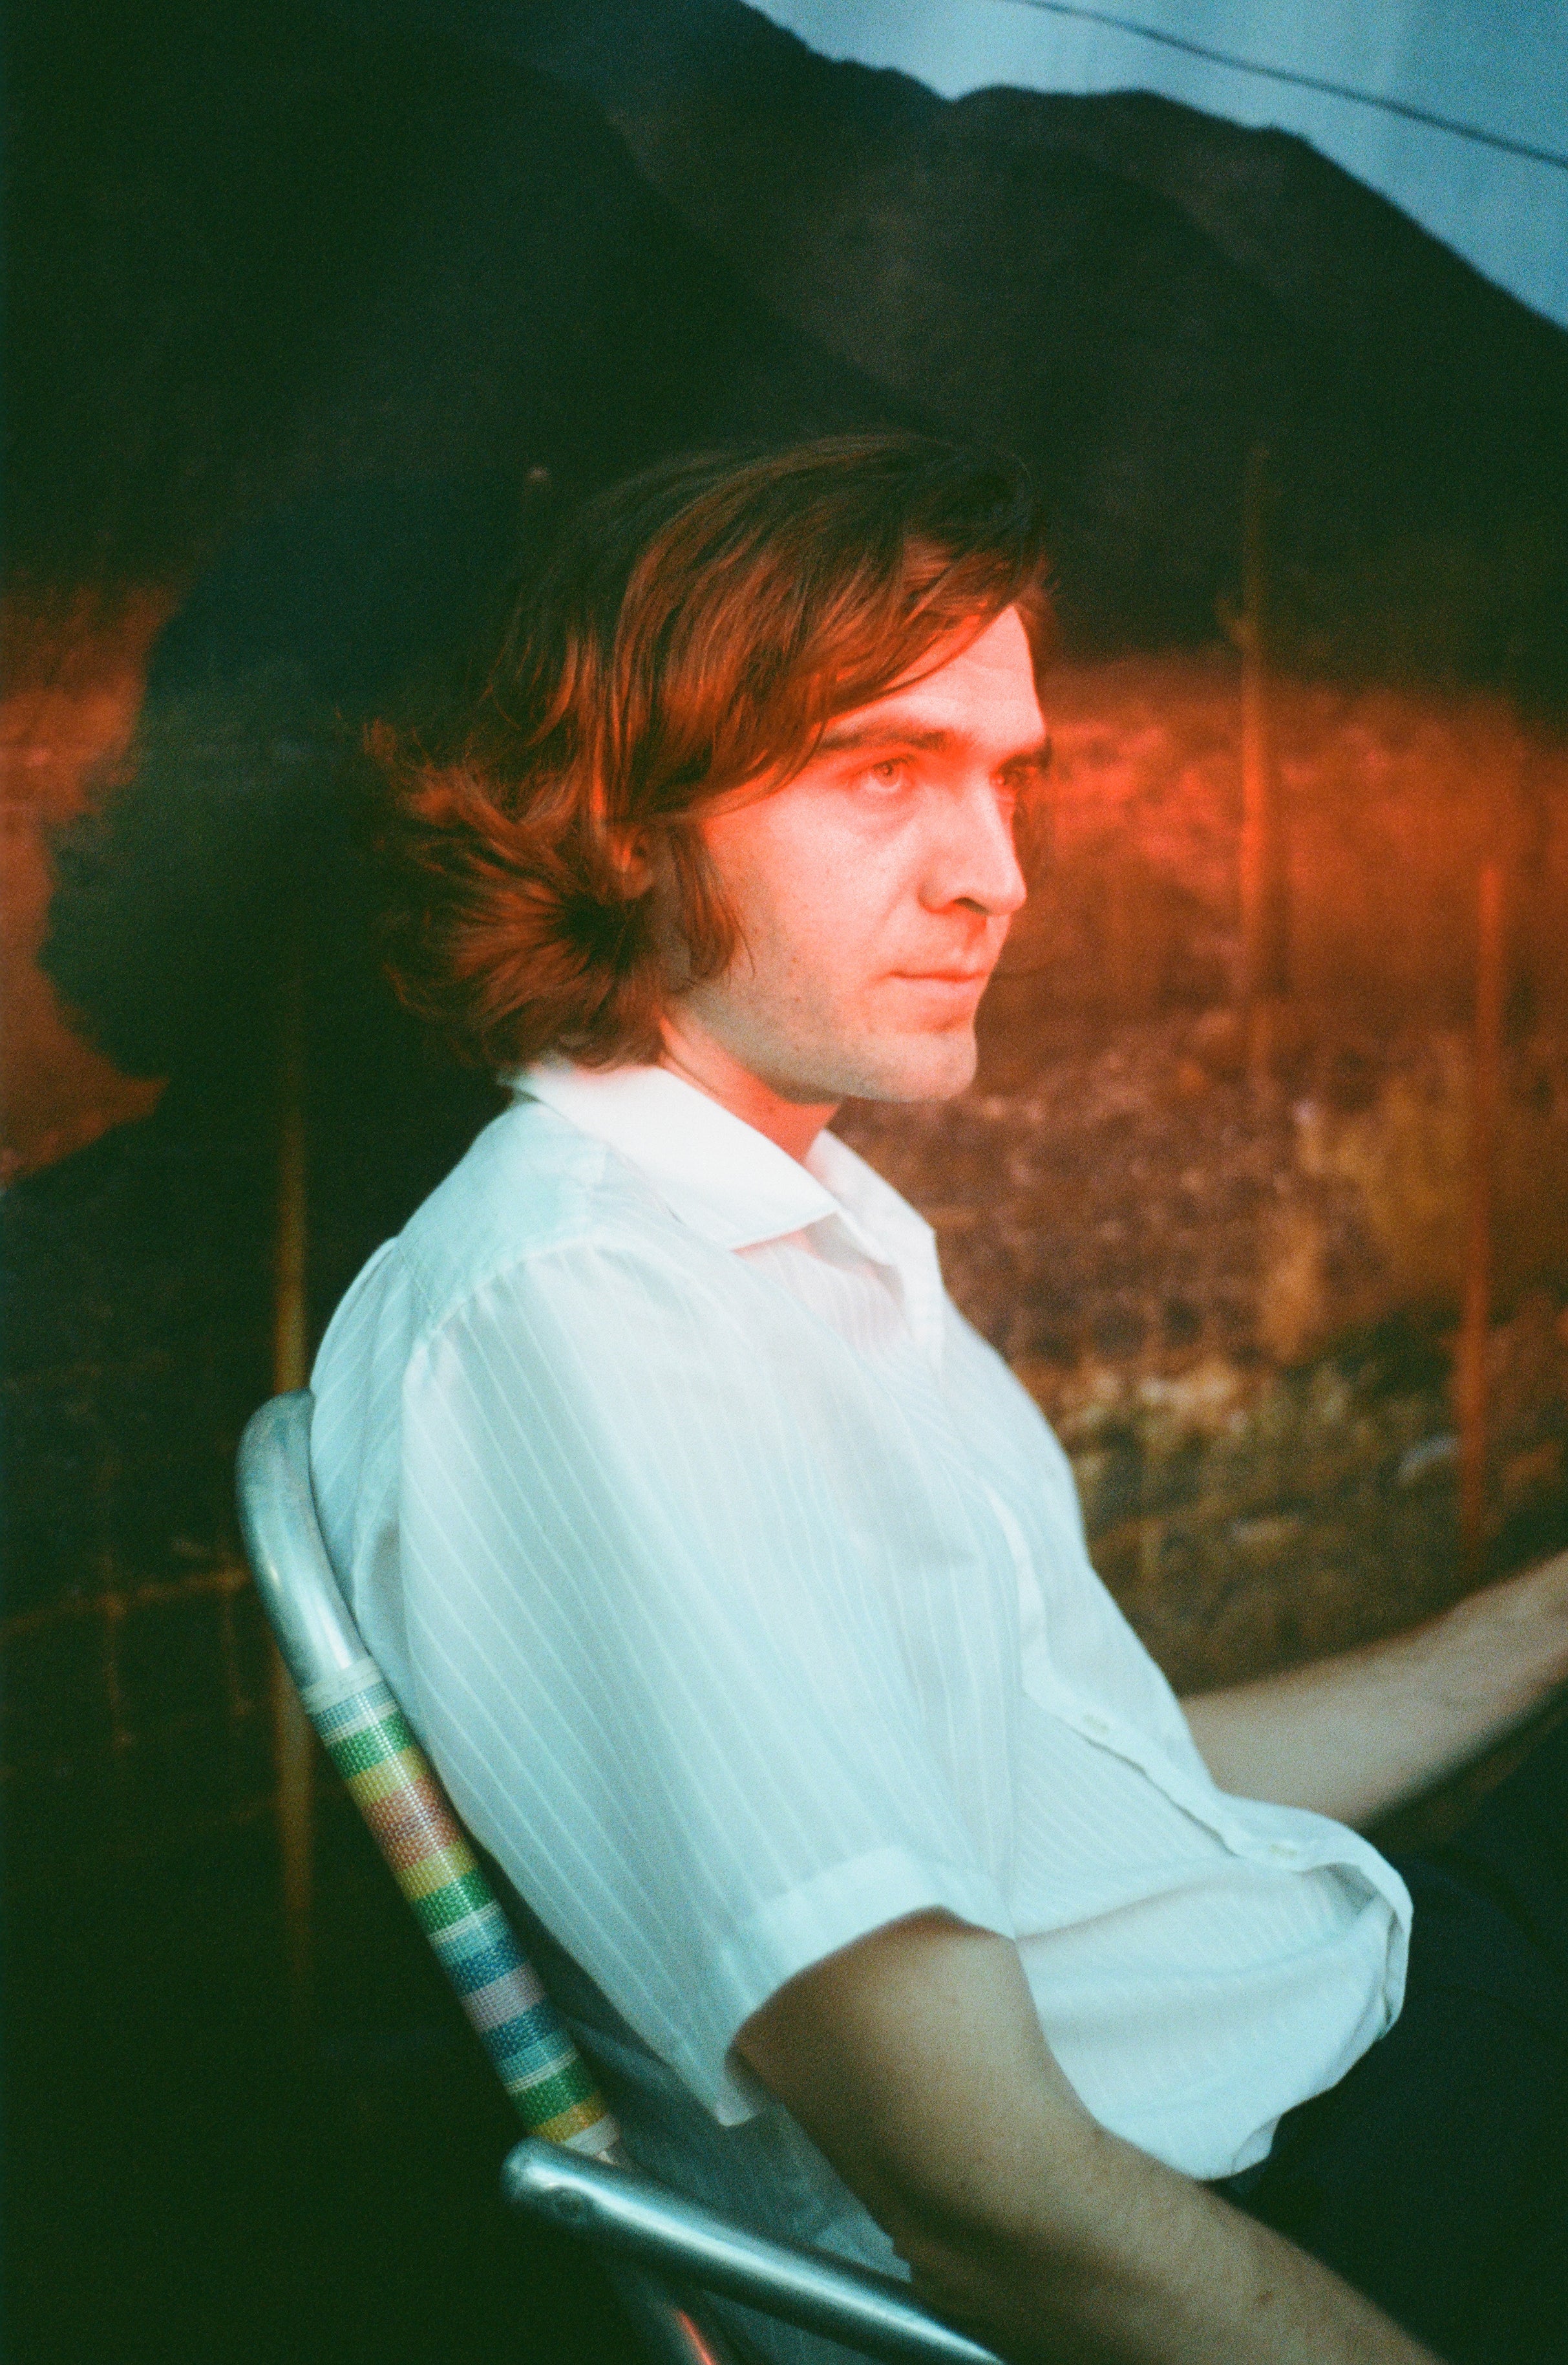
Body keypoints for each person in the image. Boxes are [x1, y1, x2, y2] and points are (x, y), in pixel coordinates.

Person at [309, 435, 1568, 2364]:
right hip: (1303, 2198)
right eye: (883, 771)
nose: (995, 875)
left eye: (1007, 777)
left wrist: (1534, 1629)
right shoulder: (587, 1312)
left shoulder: (789, 1225)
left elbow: (1072, 1798)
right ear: (623, 820)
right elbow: (992, 2195)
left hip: (1366, 2011)